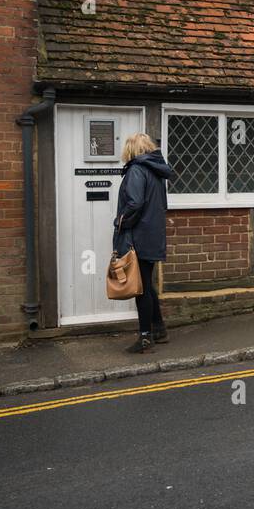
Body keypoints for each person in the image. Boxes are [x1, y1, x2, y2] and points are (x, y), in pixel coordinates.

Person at [113, 132, 173, 353]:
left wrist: (121, 221)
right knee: (147, 285)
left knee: (141, 289)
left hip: (138, 237)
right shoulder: (156, 173)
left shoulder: (137, 170)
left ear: (130, 151)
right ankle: (159, 330)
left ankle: (145, 338)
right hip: (153, 235)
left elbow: (135, 203)